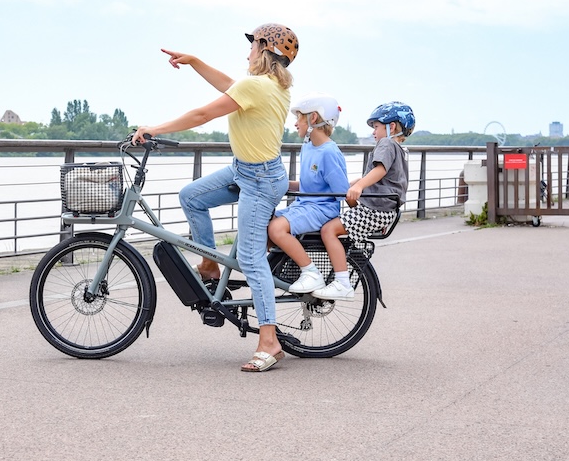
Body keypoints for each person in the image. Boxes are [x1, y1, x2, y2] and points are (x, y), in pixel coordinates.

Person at [132, 23, 299, 373]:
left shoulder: (257, 86)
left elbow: (203, 114)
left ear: (265, 49)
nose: (248, 51)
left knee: (252, 259)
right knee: (192, 196)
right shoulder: (270, 86)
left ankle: (269, 342)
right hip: (246, 169)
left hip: (259, 179)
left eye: (253, 44)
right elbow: (230, 85)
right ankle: (209, 265)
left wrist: (153, 128)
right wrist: (196, 62)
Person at [298, 101, 415, 300]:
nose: (373, 132)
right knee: (334, 227)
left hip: (375, 210)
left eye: (376, 127)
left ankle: (342, 283)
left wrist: (358, 187)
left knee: (329, 230)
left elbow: (379, 170)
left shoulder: (386, 143)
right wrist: (351, 185)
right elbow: (375, 177)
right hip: (383, 210)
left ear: (391, 126)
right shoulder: (400, 149)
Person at [268, 93, 349, 294]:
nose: (295, 123)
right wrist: (280, 184)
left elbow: (341, 192)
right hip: (305, 205)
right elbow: (307, 186)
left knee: (277, 229)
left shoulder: (329, 152)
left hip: (321, 209)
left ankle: (310, 272)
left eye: (299, 117)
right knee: (263, 229)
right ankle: (284, 272)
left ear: (313, 118)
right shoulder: (308, 146)